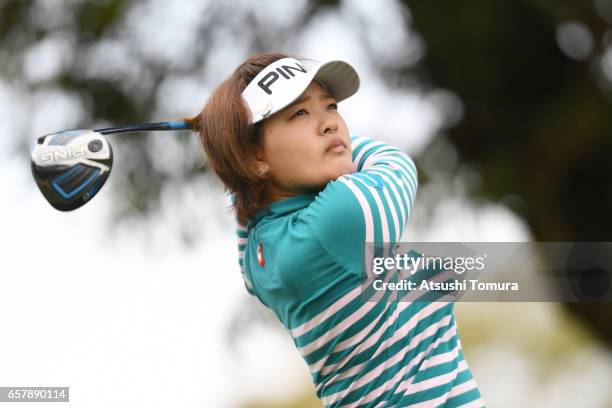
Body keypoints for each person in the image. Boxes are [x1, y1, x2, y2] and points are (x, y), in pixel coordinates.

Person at [189, 52, 486, 407]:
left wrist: (234, 149)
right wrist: (330, 146)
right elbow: (395, 162)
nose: (330, 123)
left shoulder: (258, 255)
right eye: (299, 113)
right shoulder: (342, 218)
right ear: (255, 157)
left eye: (330, 106)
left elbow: (245, 199)